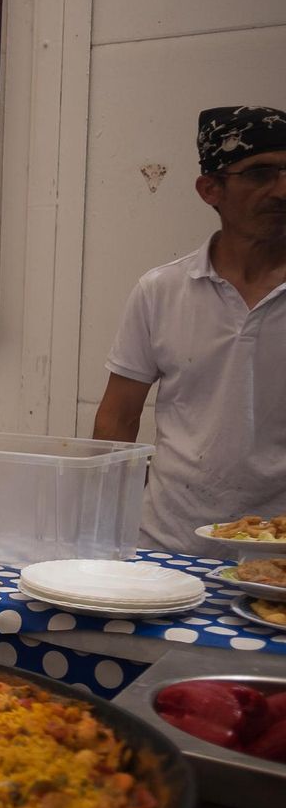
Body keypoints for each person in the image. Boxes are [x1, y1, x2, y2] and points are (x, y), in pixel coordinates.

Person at [94, 106, 286, 557]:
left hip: (278, 557)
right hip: (167, 547)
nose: (282, 190)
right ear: (210, 189)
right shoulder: (161, 291)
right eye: (260, 174)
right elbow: (116, 420)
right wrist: (106, 528)